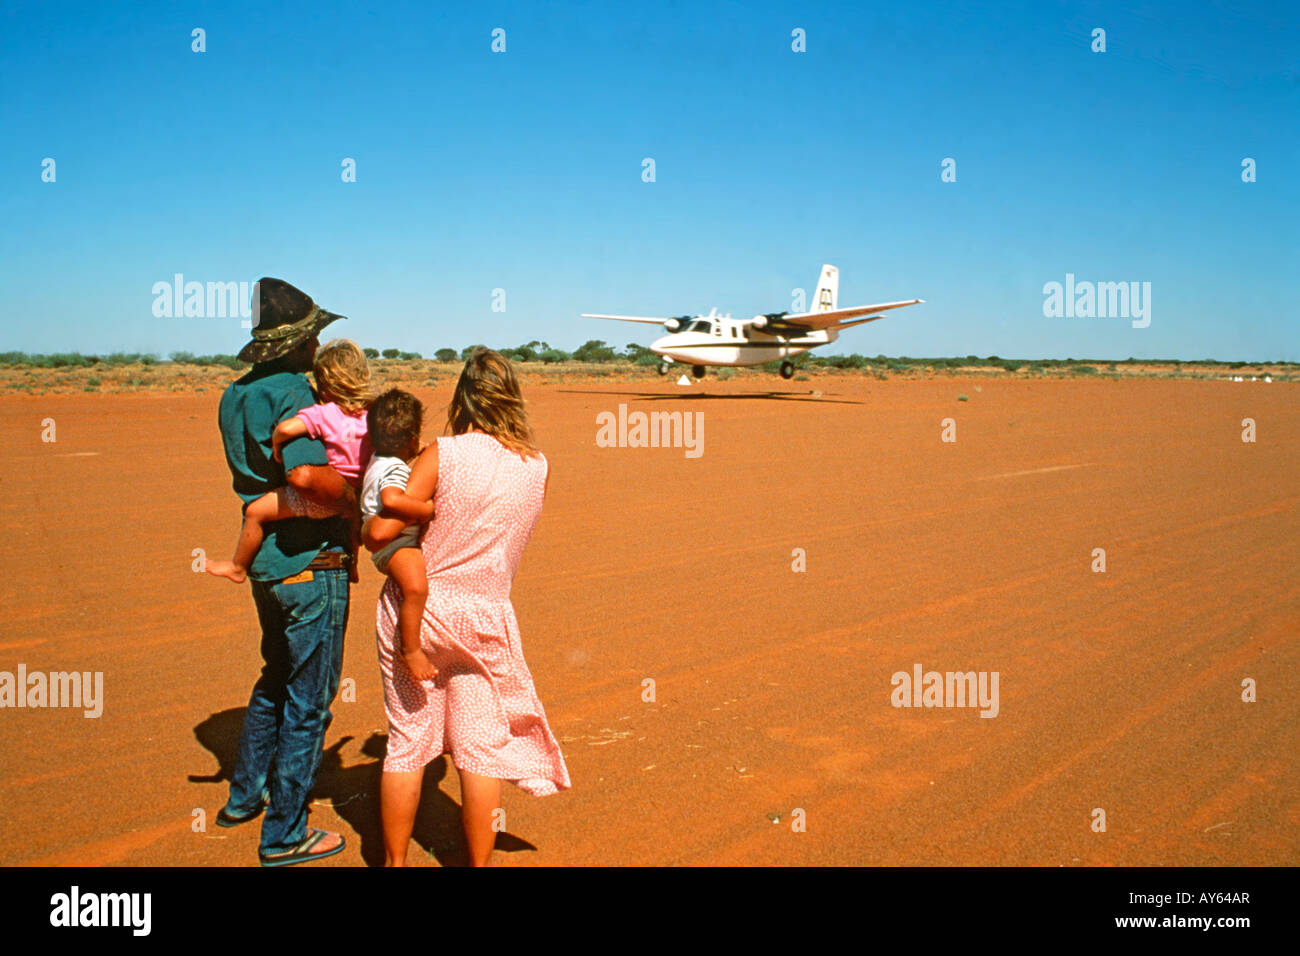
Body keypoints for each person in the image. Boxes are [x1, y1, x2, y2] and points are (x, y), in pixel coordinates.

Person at [365, 348, 569, 867]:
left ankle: (394, 864)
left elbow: (383, 531)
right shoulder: (537, 467)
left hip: (424, 609)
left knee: (409, 743)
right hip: (486, 616)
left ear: (462, 398)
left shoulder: (444, 454)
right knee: (480, 749)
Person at [214, 277, 353, 866]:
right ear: (299, 345)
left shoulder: (233, 394)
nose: (318, 347)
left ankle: (245, 796)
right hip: (310, 563)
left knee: (275, 678)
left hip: (268, 566)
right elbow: (302, 476)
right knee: (309, 701)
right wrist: (351, 497)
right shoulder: (296, 391)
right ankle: (285, 835)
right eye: (315, 337)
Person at [206, 338, 372, 585]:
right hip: (356, 493)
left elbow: (287, 430)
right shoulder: (371, 416)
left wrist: (277, 441)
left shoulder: (324, 413)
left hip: (316, 502)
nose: (316, 343)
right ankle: (353, 566)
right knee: (351, 525)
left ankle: (237, 566)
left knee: (255, 512)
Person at [361, 388, 435, 681]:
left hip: (390, 544)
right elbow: (391, 500)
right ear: (412, 439)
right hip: (395, 545)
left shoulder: (379, 458)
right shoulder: (394, 468)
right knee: (416, 589)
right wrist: (424, 509)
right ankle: (411, 648)